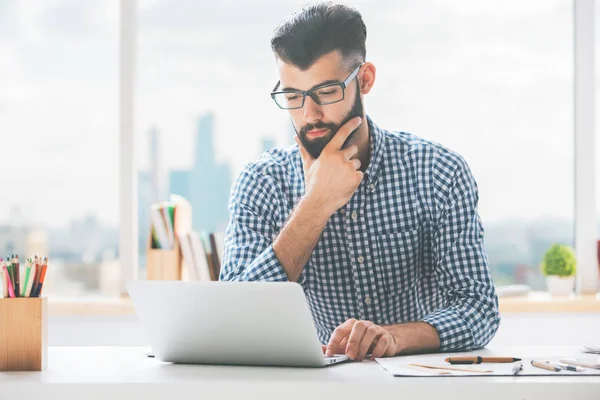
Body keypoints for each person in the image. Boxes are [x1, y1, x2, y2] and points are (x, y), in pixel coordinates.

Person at [220, 2, 500, 361]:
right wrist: (316, 203)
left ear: (364, 80)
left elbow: (478, 309)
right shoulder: (261, 183)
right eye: (292, 96)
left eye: (326, 92)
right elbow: (234, 319)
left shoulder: (438, 172)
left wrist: (393, 338)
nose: (309, 115)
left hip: (419, 386)